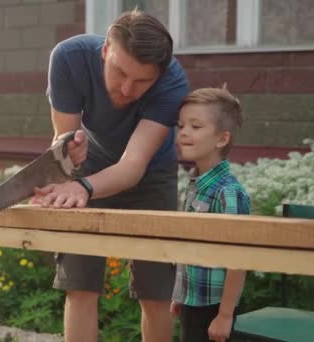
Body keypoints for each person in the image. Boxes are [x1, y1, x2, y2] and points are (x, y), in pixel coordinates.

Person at [33, 8, 189, 342]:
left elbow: (133, 167)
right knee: (79, 287)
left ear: (158, 76)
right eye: (120, 72)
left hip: (150, 177)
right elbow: (63, 141)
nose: (128, 88)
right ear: (105, 50)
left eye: (142, 81)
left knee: (156, 293)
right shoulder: (68, 58)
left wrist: (83, 187)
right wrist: (69, 155)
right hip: (86, 173)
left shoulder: (173, 81)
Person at [169, 87, 251, 342]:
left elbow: (238, 258)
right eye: (181, 125)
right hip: (193, 301)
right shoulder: (195, 184)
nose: (184, 132)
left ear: (221, 139)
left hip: (215, 308)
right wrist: (179, 294)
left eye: (195, 126)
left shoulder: (227, 192)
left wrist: (225, 315)